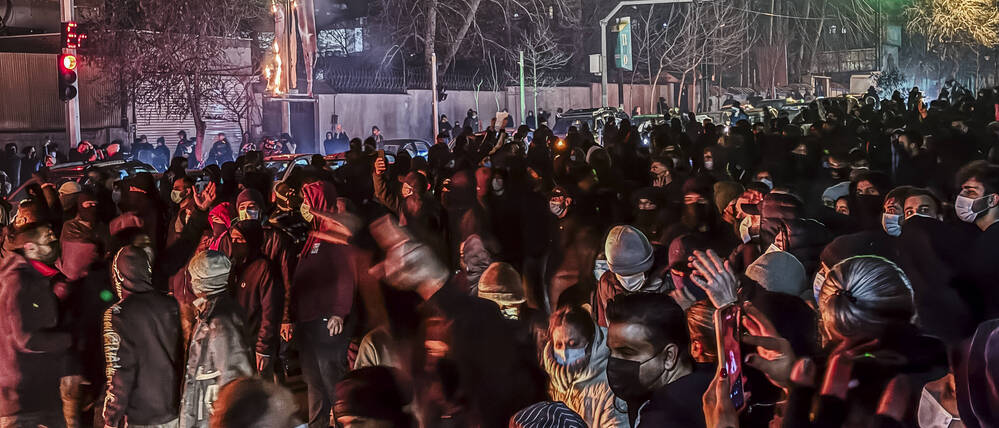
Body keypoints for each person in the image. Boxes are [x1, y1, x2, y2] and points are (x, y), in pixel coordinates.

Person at [101, 245, 183, 428]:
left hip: (142, 415)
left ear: (118, 275)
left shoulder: (118, 314)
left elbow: (120, 371)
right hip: (173, 410)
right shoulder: (171, 304)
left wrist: (111, 418)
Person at [0, 223, 71, 427]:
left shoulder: (35, 278)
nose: (55, 243)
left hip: (39, 390)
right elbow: (25, 338)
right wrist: (68, 339)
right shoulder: (17, 281)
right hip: (22, 398)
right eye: (48, 240)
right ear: (30, 247)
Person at [605, 292, 713, 427]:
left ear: (669, 356)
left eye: (627, 352)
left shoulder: (663, 419)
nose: (614, 361)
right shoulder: (709, 378)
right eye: (611, 351)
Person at [179, 250, 253, 428]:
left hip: (211, 416)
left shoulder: (220, 321)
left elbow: (234, 375)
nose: (190, 281)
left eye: (193, 276)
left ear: (201, 280)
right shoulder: (211, 311)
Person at [541, 305, 628, 427]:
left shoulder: (612, 387)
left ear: (591, 341)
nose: (565, 353)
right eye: (559, 345)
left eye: (573, 344)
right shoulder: (554, 379)